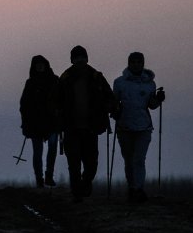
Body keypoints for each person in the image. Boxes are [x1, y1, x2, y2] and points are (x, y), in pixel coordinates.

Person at [56, 45, 114, 202]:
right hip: (71, 128)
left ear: (86, 59)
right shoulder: (65, 78)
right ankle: (77, 193)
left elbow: (110, 96)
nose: (80, 60)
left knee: (91, 164)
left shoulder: (96, 77)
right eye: (76, 58)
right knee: (73, 163)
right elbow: (57, 101)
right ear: (72, 60)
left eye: (82, 57)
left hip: (91, 128)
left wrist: (110, 106)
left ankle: (85, 183)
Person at [112, 50, 165, 203]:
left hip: (143, 127)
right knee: (128, 160)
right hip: (124, 126)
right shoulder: (120, 82)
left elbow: (151, 105)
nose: (136, 65)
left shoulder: (149, 83)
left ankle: (138, 189)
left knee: (139, 159)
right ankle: (132, 187)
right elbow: (114, 102)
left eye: (138, 62)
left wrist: (158, 99)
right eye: (133, 62)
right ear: (129, 64)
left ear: (142, 64)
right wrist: (114, 110)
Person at [19, 55, 60, 188]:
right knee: (38, 152)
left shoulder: (55, 81)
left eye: (42, 64)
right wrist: (26, 123)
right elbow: (24, 105)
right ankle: (39, 179)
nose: (40, 66)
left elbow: (62, 100)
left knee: (52, 148)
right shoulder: (30, 83)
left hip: (52, 122)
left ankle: (48, 176)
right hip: (35, 123)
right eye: (37, 65)